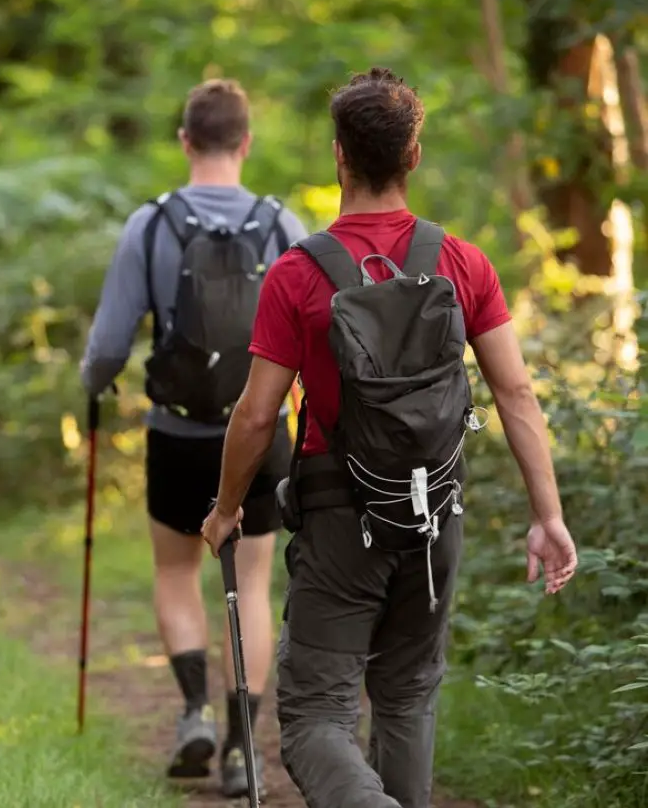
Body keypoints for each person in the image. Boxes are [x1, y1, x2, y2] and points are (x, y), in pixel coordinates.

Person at [201, 66, 578, 808]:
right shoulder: (463, 263)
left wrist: (224, 510)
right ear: (414, 156)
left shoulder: (297, 274)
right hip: (437, 514)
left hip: (341, 517)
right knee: (406, 699)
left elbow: (255, 415)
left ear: (338, 155)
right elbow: (515, 392)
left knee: (315, 716)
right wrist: (549, 515)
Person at [80, 78, 307, 798]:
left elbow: (110, 344)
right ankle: (244, 749)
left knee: (177, 572)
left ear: (185, 141)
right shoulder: (282, 226)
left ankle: (192, 713)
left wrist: (92, 385)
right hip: (263, 431)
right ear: (245, 143)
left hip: (177, 433)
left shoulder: (149, 225)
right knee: (253, 581)